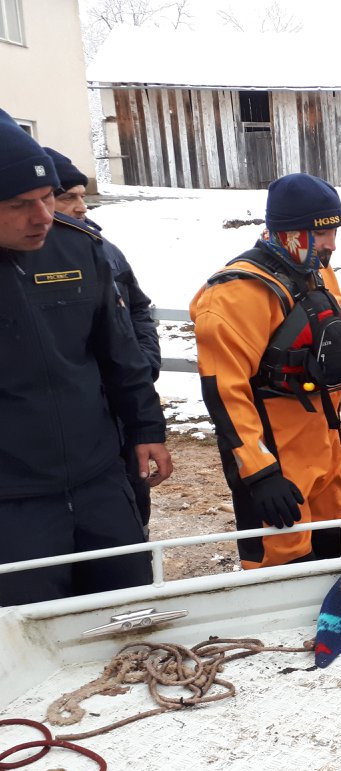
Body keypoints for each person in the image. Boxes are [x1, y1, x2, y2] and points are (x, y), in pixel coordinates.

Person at [0, 109, 171, 605]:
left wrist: (145, 430)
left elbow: (120, 354)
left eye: (47, 197)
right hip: (14, 501)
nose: (43, 216)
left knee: (129, 610)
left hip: (99, 480)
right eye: (19, 204)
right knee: (32, 633)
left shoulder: (78, 250)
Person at [190, 173, 341, 569]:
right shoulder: (236, 295)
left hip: (324, 447)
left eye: (334, 231)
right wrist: (260, 474)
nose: (331, 244)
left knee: (337, 554)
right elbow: (224, 393)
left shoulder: (318, 275)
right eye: (320, 232)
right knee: (284, 570)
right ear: (286, 231)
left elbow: (336, 350)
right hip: (277, 459)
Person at [45, 146, 162, 527]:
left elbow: (139, 308)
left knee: (131, 504)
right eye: (68, 197)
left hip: (123, 405)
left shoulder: (104, 250)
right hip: (80, 416)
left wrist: (144, 361)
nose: (81, 207)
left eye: (82, 196)